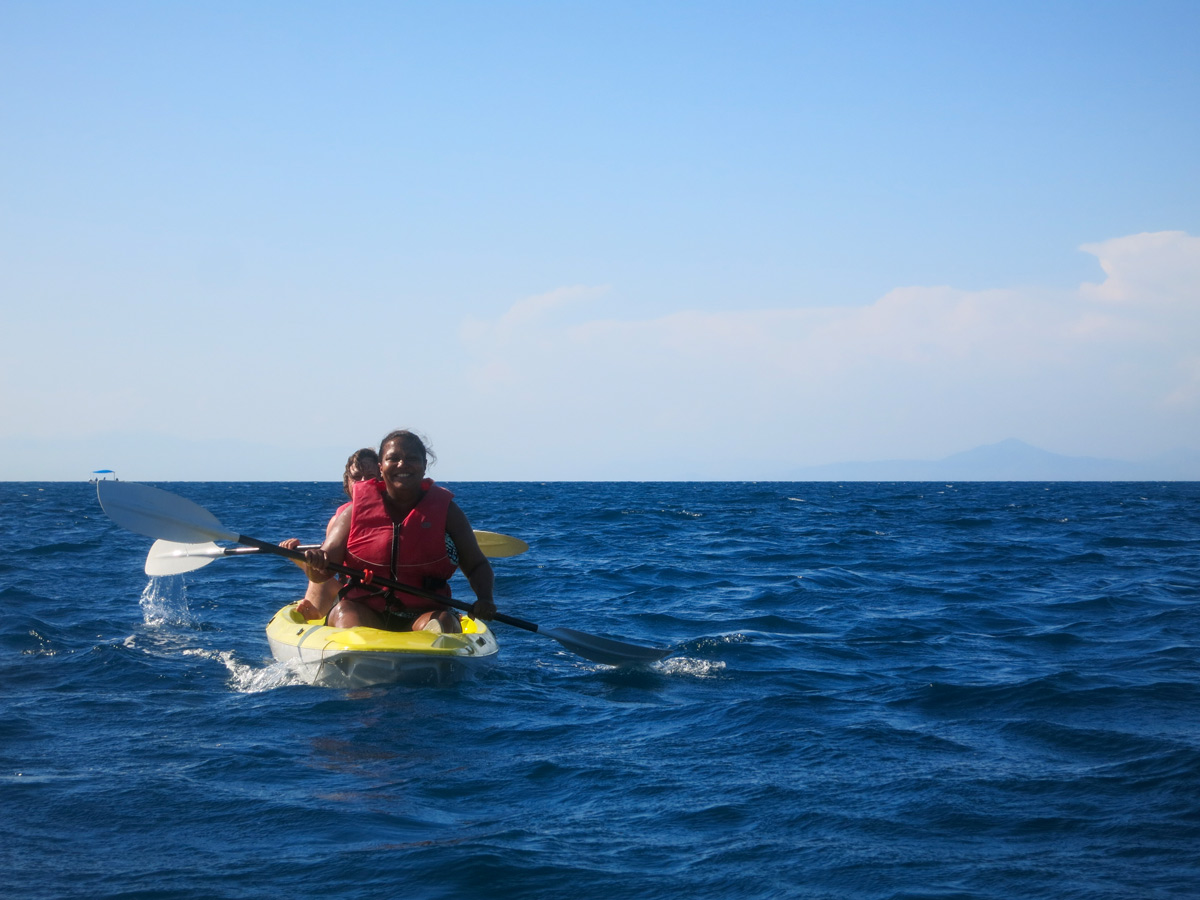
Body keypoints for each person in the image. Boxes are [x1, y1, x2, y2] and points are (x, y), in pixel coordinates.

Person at [297, 430, 497, 632]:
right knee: (344, 612)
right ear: (381, 467)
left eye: (412, 458)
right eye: (393, 458)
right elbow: (323, 570)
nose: (402, 464)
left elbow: (476, 565)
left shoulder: (447, 511)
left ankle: (432, 653)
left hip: (424, 614)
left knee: (443, 622)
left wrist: (485, 599)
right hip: (364, 609)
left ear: (425, 465)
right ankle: (357, 655)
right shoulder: (353, 511)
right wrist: (317, 563)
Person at [280, 448, 380, 620]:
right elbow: (327, 569)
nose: (363, 482)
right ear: (347, 482)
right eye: (356, 477)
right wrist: (300, 557)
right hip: (352, 593)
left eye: (370, 476)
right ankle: (317, 612)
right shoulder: (338, 521)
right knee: (319, 570)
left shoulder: (398, 515)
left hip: (387, 591)